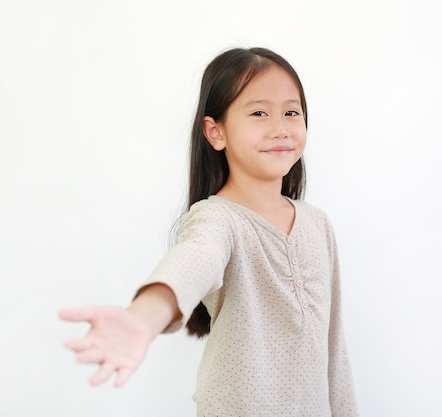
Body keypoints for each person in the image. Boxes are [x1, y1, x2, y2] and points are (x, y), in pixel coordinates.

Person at [59, 47, 359, 416]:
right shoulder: (218, 219)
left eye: (291, 112)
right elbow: (194, 261)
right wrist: (143, 318)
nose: (280, 127)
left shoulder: (317, 224)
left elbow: (334, 350)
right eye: (259, 113)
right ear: (215, 132)